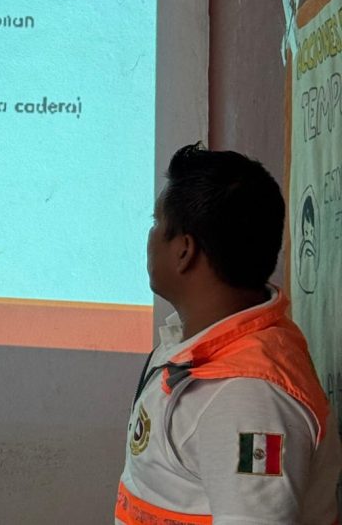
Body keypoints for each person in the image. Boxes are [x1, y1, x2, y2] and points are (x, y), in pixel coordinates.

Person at [115, 143, 341, 525]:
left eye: (156, 222)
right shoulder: (200, 348)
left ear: (184, 250)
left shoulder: (246, 395)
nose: (149, 236)